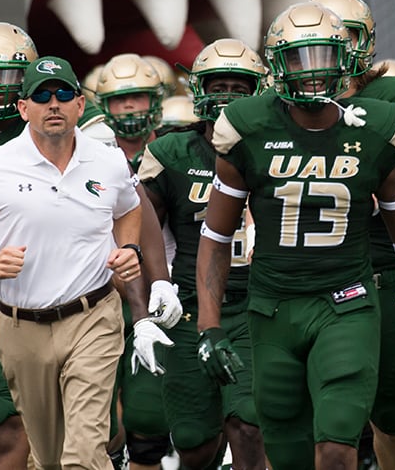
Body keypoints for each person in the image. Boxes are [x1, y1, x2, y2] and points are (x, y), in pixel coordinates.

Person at [195, 1, 395, 470]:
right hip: (274, 305)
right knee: (287, 450)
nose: (314, 73)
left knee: (339, 444)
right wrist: (209, 324)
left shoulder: (381, 127)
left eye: (324, 56)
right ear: (277, 66)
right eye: (300, 58)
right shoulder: (248, 126)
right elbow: (216, 235)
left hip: (349, 301)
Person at [0, 55, 172, 469]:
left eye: (63, 94)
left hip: (92, 317)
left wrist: (130, 250)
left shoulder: (108, 159)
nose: (53, 103)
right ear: (23, 108)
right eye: (41, 96)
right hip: (19, 324)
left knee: (81, 456)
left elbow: (130, 207)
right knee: (48, 457)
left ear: (80, 105)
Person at [0, 22, 113, 470]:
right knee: (3, 428)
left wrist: (143, 285)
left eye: (8, 81)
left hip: (81, 299)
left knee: (86, 437)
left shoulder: (74, 122)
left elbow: (128, 204)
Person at [311, 0, 395, 470]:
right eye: (323, 39)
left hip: (382, 269)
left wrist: (388, 197)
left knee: (393, 411)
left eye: (347, 35)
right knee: (296, 410)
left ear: (367, 41)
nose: (335, 49)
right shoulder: (274, 106)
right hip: (303, 275)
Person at [138, 37, 267, 470]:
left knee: (248, 425)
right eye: (217, 84)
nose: (227, 94)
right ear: (199, 89)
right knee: (194, 442)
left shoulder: (276, 147)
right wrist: (156, 288)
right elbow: (139, 231)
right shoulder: (170, 153)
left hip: (256, 305)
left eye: (239, 85)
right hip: (190, 306)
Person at [96, 52, 180, 470]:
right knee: (102, 423)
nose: (129, 108)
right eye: (119, 100)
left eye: (139, 98)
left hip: (159, 290)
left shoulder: (174, 150)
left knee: (150, 422)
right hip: (99, 296)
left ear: (157, 101)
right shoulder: (88, 152)